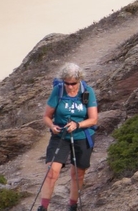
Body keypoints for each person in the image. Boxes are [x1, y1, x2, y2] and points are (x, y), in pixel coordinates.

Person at [38, 63, 98, 211]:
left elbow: (93, 119)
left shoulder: (87, 92)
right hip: (61, 136)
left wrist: (77, 125)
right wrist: (52, 126)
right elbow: (46, 116)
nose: (70, 87)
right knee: (52, 171)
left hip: (83, 135)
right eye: (67, 83)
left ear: (79, 80)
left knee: (78, 173)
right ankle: (43, 207)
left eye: (73, 83)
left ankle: (72, 205)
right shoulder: (58, 91)